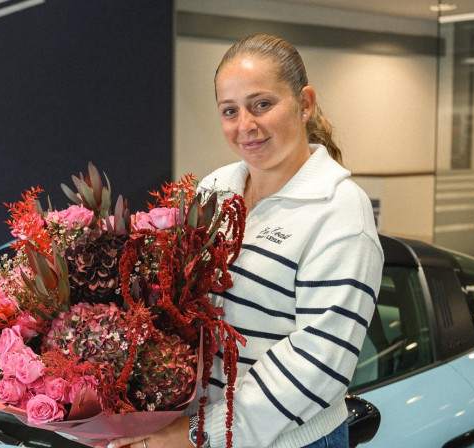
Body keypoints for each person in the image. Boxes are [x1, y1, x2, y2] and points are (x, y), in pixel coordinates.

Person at [108, 34, 383, 448]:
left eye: (262, 105)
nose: (245, 126)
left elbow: (318, 365)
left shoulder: (341, 212)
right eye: (230, 110)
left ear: (304, 104)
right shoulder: (215, 189)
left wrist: (199, 435)